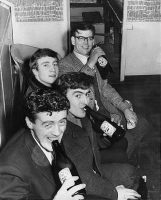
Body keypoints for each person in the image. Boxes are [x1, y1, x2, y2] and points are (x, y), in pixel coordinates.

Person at [59, 22, 148, 160]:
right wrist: (91, 62)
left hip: (105, 112)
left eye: (90, 38)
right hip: (88, 120)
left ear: (93, 40)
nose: (86, 42)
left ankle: (115, 157)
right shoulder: (64, 65)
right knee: (122, 141)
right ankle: (112, 159)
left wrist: (124, 109)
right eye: (81, 38)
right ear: (73, 40)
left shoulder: (96, 60)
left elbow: (105, 88)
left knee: (141, 124)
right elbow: (78, 88)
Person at [0, 89, 108, 200]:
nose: (57, 132)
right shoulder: (10, 168)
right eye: (48, 125)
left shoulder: (52, 128)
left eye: (62, 122)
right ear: (29, 123)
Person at [56, 72, 141, 200]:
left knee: (131, 172)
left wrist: (107, 137)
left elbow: (94, 144)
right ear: (62, 98)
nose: (85, 101)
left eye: (86, 94)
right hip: (82, 188)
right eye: (77, 95)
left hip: (95, 168)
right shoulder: (63, 131)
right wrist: (115, 193)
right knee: (128, 178)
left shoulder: (81, 116)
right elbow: (84, 178)